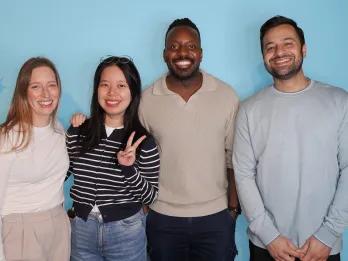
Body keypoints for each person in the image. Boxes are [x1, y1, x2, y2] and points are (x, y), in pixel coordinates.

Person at [233, 15, 348, 261]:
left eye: (288, 43)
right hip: (267, 246)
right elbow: (243, 174)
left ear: (303, 49)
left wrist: (328, 235)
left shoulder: (340, 101)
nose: (279, 52)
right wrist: (269, 235)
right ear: (263, 55)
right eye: (270, 47)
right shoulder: (249, 109)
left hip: (322, 246)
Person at [140, 18, 240, 261]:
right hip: (163, 219)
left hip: (216, 218)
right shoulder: (146, 99)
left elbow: (234, 158)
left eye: (190, 46)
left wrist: (233, 209)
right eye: (174, 46)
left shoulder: (226, 96)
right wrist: (145, 207)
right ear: (164, 54)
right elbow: (140, 161)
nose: (182, 52)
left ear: (201, 53)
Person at [66, 56, 160, 261]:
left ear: (133, 91)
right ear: (96, 90)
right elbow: (60, 174)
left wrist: (128, 169)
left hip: (125, 232)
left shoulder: (144, 141)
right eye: (105, 85)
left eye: (121, 85)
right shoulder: (78, 132)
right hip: (82, 229)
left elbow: (151, 196)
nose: (112, 93)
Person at [0, 57, 70, 260]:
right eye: (36, 87)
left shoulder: (58, 129)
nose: (46, 94)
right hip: (20, 231)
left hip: (58, 225)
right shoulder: (7, 137)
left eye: (51, 85)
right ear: (23, 92)